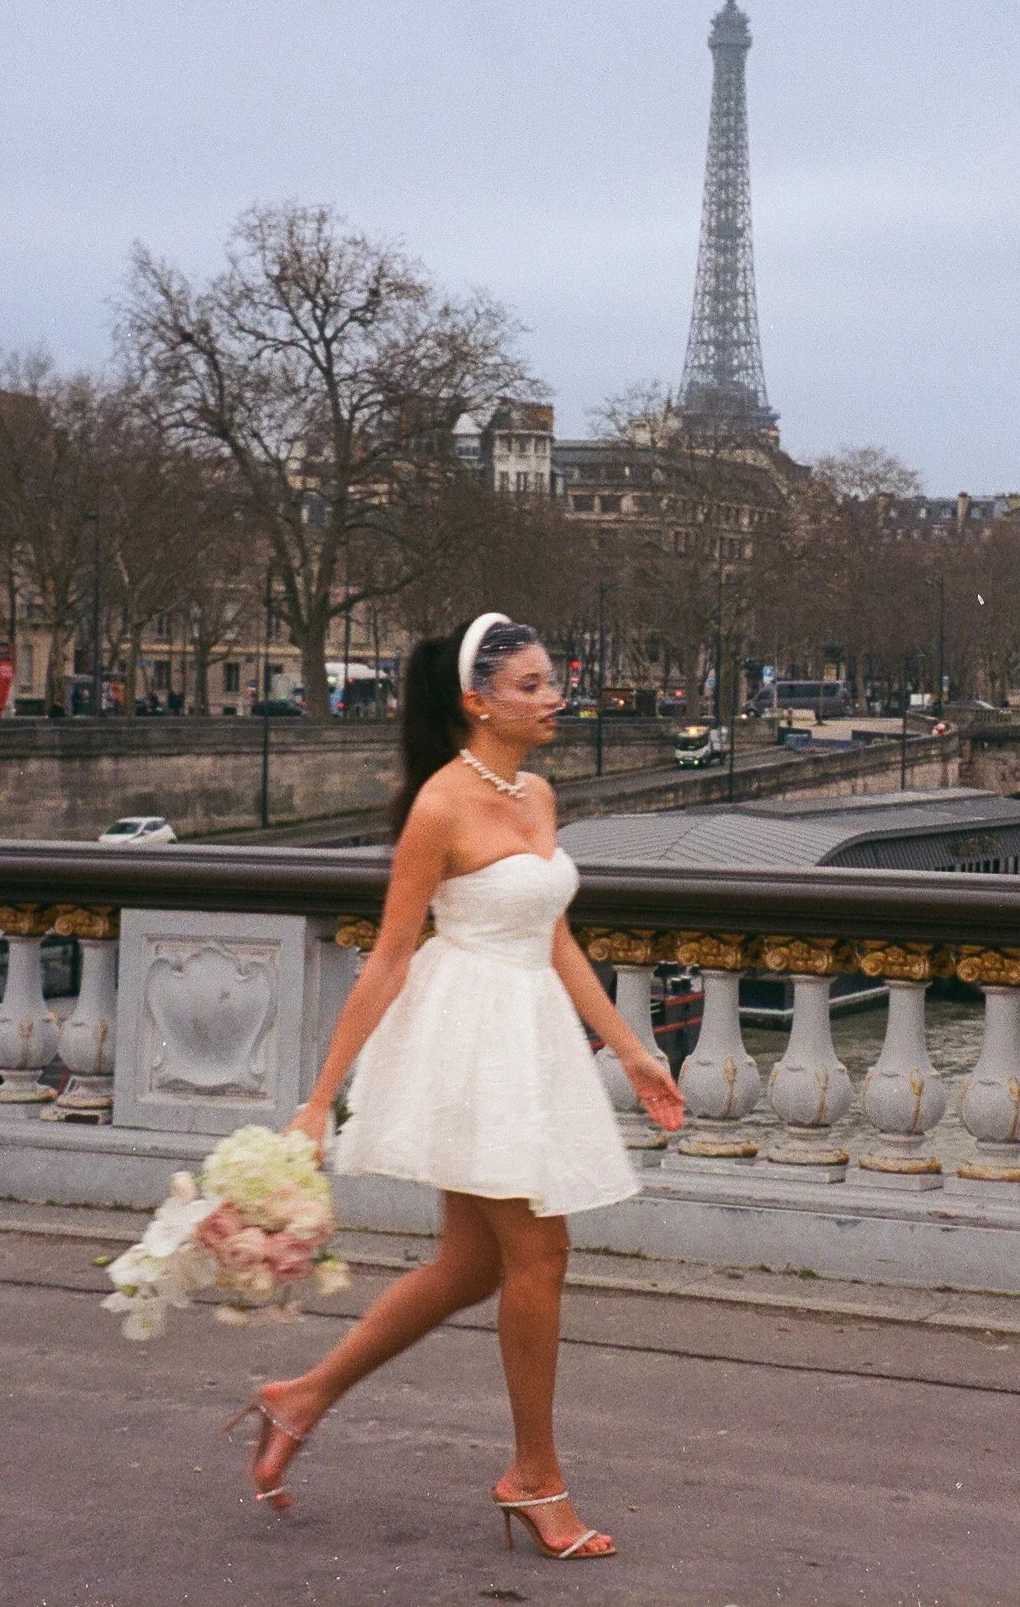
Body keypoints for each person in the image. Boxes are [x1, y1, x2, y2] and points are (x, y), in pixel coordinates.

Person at [230, 612, 685, 1559]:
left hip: (527, 1034)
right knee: (539, 1257)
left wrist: (629, 1048)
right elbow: (390, 956)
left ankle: (300, 1396)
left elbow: (551, 934)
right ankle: (533, 1477)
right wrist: (319, 1101)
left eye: (551, 679)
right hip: (472, 1041)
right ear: (477, 702)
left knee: (473, 1266)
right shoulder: (439, 806)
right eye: (530, 686)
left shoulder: (535, 792)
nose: (554, 697)